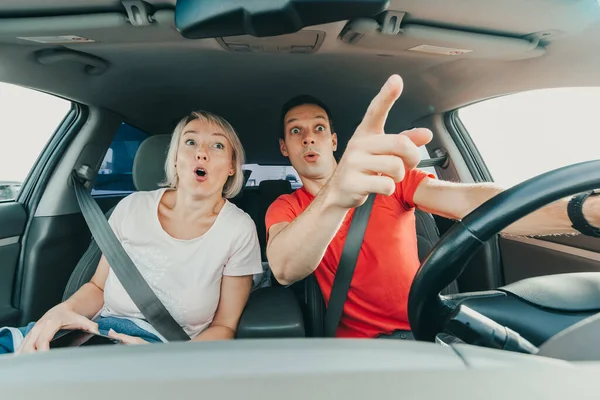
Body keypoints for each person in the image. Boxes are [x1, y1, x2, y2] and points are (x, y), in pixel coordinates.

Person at [265, 74, 600, 339]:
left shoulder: (392, 179)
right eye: (296, 131)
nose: (309, 138)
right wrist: (336, 195)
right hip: (361, 350)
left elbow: (472, 201)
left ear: (334, 141)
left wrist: (582, 211)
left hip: (432, 331)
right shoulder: (286, 206)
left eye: (319, 128)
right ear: (284, 147)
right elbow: (284, 267)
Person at [2, 110, 262, 354]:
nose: (201, 153)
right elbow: (97, 287)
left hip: (166, 349)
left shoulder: (238, 229)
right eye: (190, 142)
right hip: (93, 331)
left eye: (217, 145)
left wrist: (168, 360)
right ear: (175, 158)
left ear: (231, 166)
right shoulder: (132, 207)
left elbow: (225, 327)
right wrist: (61, 312)